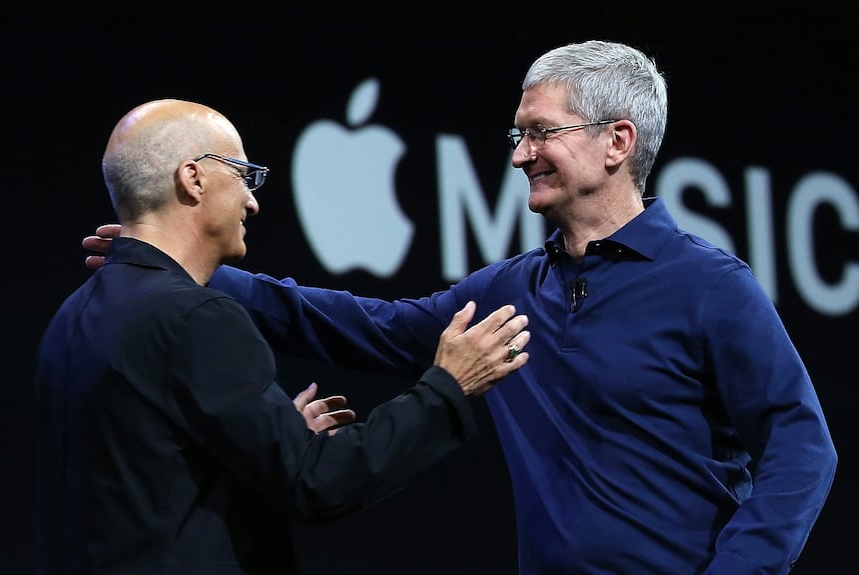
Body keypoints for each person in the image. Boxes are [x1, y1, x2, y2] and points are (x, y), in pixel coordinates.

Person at [84, 40, 837, 575]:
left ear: (618, 142)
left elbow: (802, 447)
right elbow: (370, 327)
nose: (519, 154)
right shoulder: (512, 289)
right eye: (518, 134)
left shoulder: (710, 285)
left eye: (541, 132)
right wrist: (192, 267)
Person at [40, 98, 531, 575]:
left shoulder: (76, 312)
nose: (252, 202)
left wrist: (269, 439)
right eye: (243, 175)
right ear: (193, 179)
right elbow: (318, 483)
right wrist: (448, 387)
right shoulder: (197, 315)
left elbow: (145, 481)